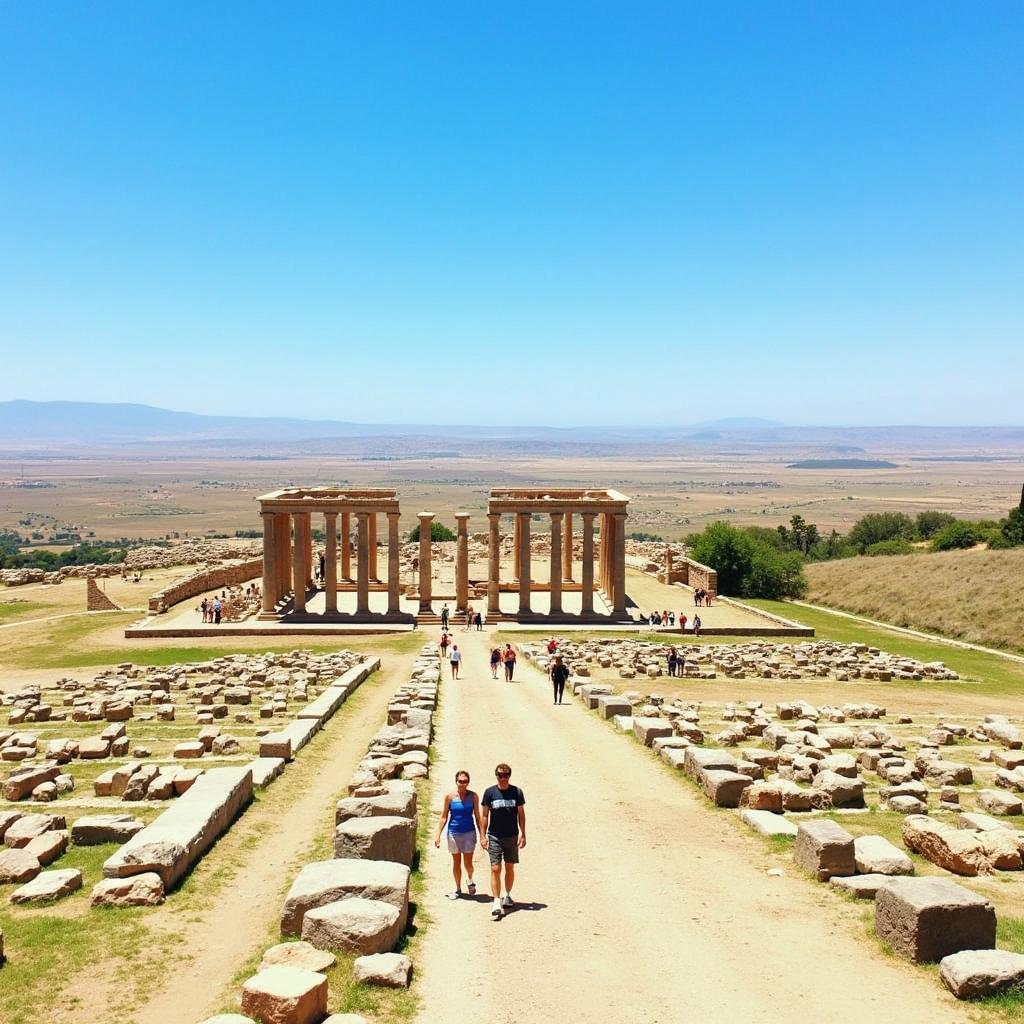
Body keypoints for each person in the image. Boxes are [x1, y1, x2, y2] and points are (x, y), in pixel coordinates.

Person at [480, 763, 526, 919]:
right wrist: (483, 835)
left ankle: (507, 894)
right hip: (494, 836)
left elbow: (521, 814)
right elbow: (485, 815)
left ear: (509, 776)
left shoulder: (516, 792)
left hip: (512, 835)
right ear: (496, 776)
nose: (503, 778)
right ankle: (496, 901)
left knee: (510, 866)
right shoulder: (489, 793)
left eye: (506, 775)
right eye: (500, 775)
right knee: (495, 868)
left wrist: (523, 834)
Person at [433, 770, 482, 899]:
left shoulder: (473, 796)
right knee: (456, 862)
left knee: (468, 863)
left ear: (468, 782)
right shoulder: (450, 797)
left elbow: (478, 816)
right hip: (454, 833)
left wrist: (482, 835)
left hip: (469, 833)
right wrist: (438, 835)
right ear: (456, 781)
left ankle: (470, 879)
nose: (462, 784)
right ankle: (457, 888)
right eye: (460, 781)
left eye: (465, 781)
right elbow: (444, 817)